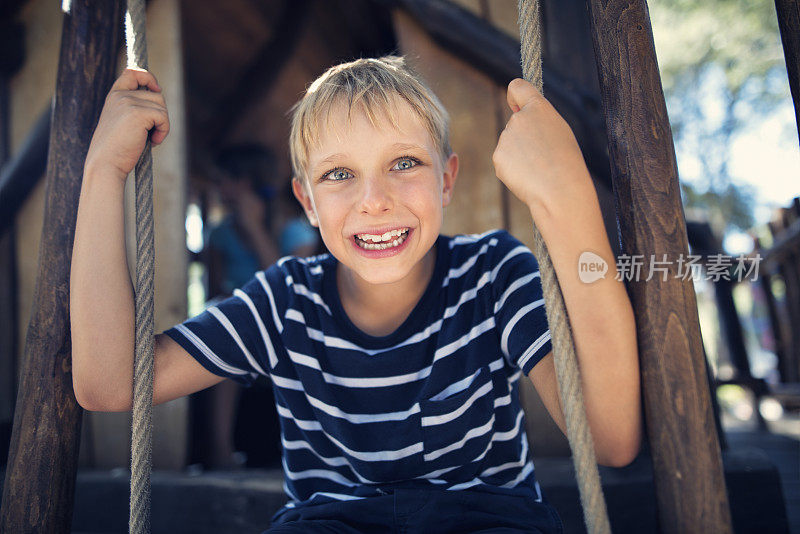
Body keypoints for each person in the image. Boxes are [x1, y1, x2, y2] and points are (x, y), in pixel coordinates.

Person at [71, 56, 641, 533]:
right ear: (307, 201)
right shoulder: (286, 300)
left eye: (404, 162)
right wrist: (102, 171)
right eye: (339, 174)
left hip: (488, 520)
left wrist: (568, 197)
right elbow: (109, 382)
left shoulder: (493, 274)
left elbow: (610, 440)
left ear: (447, 178)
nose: (375, 199)